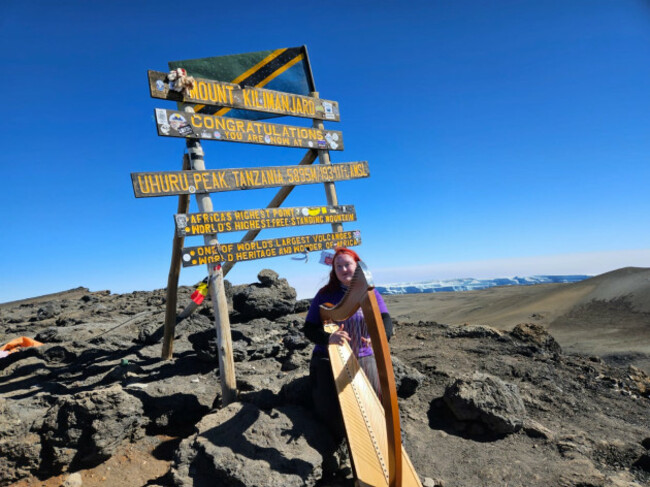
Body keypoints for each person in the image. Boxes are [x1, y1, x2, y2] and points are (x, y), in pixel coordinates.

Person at [302, 247, 393, 443]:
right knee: (330, 411)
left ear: (357, 266)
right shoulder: (325, 294)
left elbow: (386, 321)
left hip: (364, 356)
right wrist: (329, 339)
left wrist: (379, 337)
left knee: (374, 405)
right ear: (333, 271)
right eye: (339, 266)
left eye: (348, 264)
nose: (344, 269)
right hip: (328, 359)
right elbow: (309, 329)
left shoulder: (371, 293)